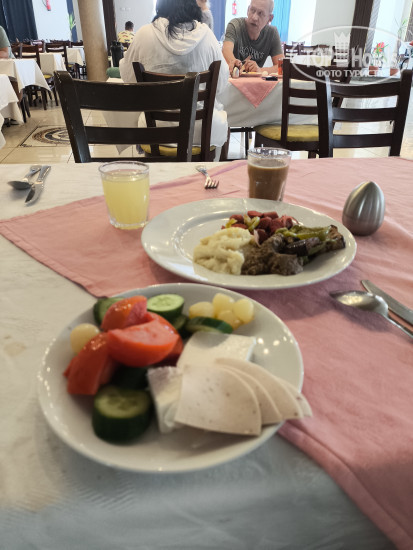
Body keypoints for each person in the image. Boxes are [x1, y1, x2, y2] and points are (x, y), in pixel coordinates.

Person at [120, 0, 229, 151]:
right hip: (201, 132)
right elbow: (221, 83)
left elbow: (129, 78)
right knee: (219, 120)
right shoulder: (207, 36)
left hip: (156, 131)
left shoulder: (144, 34)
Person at [222, 0, 283, 75]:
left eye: (261, 13)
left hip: (256, 81)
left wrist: (259, 70)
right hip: (233, 78)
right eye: (252, 10)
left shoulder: (272, 33)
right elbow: (226, 50)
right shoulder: (235, 25)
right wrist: (233, 62)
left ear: (270, 18)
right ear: (248, 10)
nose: (254, 17)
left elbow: (282, 66)